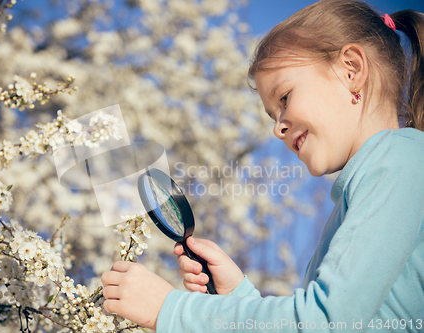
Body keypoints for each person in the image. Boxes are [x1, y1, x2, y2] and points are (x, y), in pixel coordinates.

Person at [101, 0, 424, 331]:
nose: (277, 128)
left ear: (351, 70)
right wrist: (240, 298)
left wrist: (169, 310)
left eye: (284, 98)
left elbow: (323, 321)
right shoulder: (379, 181)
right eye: (273, 115)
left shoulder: (399, 162)